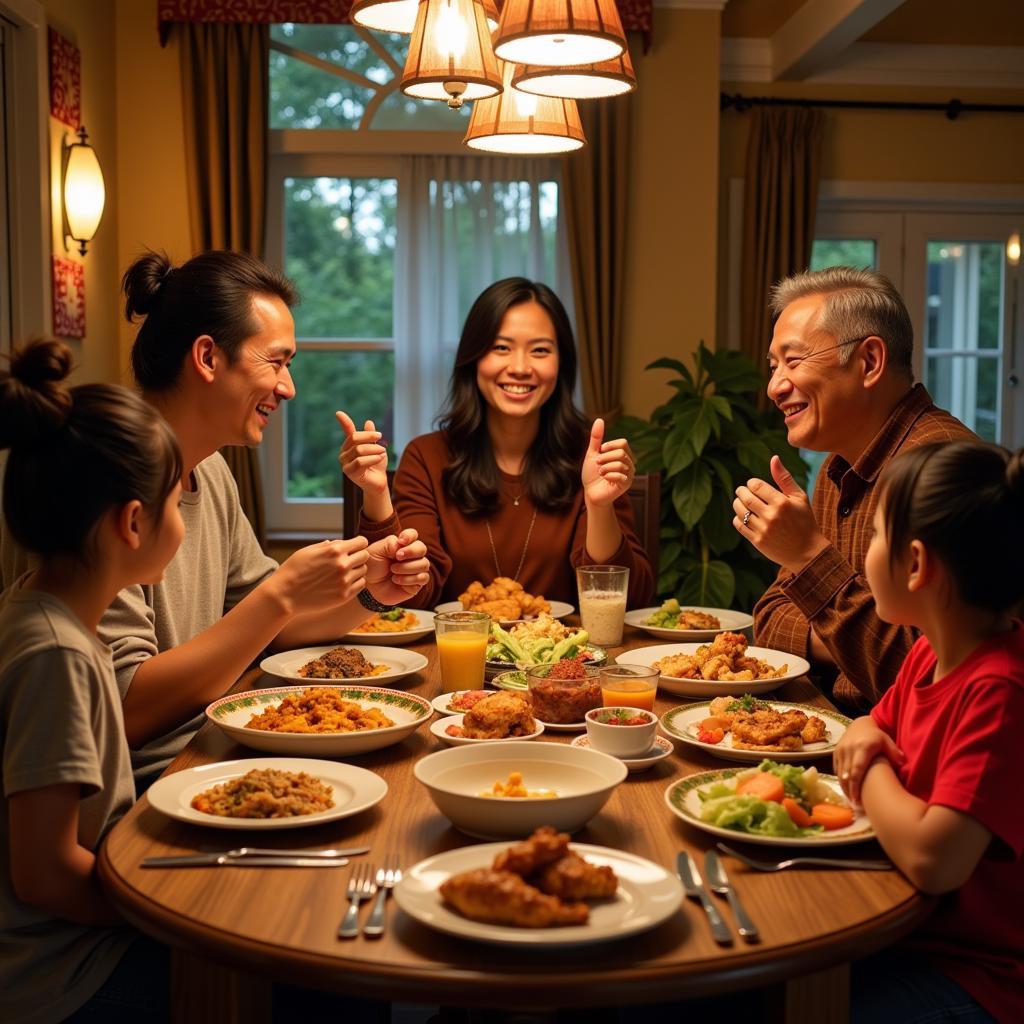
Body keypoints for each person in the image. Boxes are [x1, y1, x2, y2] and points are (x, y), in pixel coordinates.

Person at [0, 250, 431, 789]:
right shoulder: (102, 483)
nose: (289, 386)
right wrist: (282, 596)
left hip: (215, 755)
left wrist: (368, 591)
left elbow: (266, 633)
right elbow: (123, 711)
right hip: (145, 789)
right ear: (207, 357)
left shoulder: (213, 473)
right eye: (276, 362)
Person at [0, 338, 181, 1023]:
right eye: (176, 506)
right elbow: (43, 874)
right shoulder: (58, 654)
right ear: (133, 523)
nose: (182, 527)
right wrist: (161, 917)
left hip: (83, 943)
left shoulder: (39, 606)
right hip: (65, 975)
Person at [833, 441, 1023, 1024]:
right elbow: (865, 729)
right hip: (900, 932)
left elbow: (931, 858)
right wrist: (867, 732)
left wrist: (873, 765)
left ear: (915, 564)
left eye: (873, 538)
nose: (866, 556)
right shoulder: (928, 655)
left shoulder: (999, 690)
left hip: (975, 976)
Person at [733, 266, 975, 710]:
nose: (774, 386)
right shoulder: (836, 465)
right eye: (773, 366)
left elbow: (930, 677)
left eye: (793, 360)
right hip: (829, 722)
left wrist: (808, 557)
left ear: (869, 362)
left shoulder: (943, 469)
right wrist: (850, 638)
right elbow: (770, 617)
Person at [337, 277, 653, 610]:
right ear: (473, 358)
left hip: (566, 658)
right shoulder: (427, 457)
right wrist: (376, 494)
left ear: (561, 364)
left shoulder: (591, 458)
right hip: (454, 655)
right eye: (501, 348)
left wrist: (600, 504)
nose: (519, 368)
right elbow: (410, 594)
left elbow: (633, 600)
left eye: (540, 350)